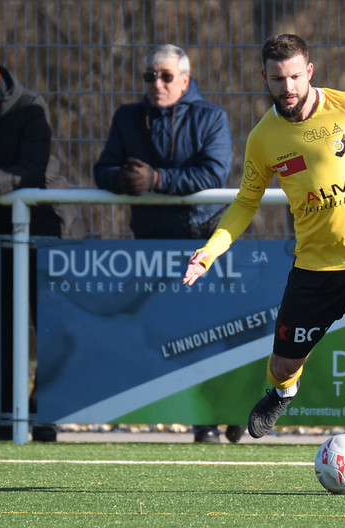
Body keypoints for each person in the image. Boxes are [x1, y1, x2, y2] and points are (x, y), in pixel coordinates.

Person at [182, 33, 345, 493]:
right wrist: (211, 250)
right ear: (265, 78)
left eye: (296, 76)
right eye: (278, 79)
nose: (288, 86)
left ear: (310, 71)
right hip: (315, 268)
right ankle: (284, 392)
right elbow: (245, 202)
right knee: (282, 366)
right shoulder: (264, 139)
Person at [94, 44, 242, 444]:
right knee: (168, 335)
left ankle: (222, 414)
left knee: (209, 332)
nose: (156, 83)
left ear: (185, 80)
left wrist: (157, 180)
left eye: (165, 76)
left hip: (201, 242)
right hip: (151, 246)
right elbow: (103, 168)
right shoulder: (127, 116)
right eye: (149, 76)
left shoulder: (211, 116)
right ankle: (208, 415)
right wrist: (122, 180)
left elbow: (213, 175)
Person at [0, 47, 85, 442]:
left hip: (50, 229)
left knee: (49, 326)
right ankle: (3, 416)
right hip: (1, 232)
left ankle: (45, 414)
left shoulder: (30, 106)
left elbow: (29, 172)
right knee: (0, 324)